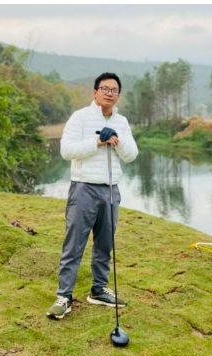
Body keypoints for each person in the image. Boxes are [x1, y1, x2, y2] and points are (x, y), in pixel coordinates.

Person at [46, 73, 138, 320]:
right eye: (104, 88)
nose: (109, 93)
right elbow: (67, 150)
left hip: (111, 190)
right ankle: (64, 297)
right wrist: (97, 141)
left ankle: (98, 290)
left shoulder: (122, 121)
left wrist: (116, 142)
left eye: (114, 89)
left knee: (105, 244)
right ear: (95, 92)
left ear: (118, 95)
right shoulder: (80, 117)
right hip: (84, 188)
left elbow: (131, 155)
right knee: (74, 244)